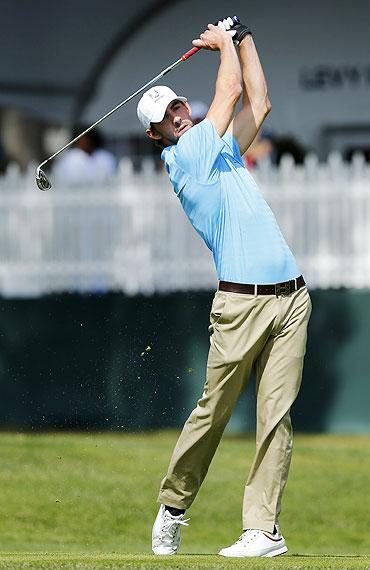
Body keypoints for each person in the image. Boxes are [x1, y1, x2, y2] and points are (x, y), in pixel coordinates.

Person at [136, 16, 311, 558]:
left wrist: (245, 38)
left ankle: (263, 530)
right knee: (213, 412)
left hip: (292, 298)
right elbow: (231, 90)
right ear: (156, 135)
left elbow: (258, 102)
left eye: (178, 105)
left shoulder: (223, 150)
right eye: (167, 116)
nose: (178, 114)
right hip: (239, 304)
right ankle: (173, 507)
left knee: (275, 417)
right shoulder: (185, 158)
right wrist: (220, 48)